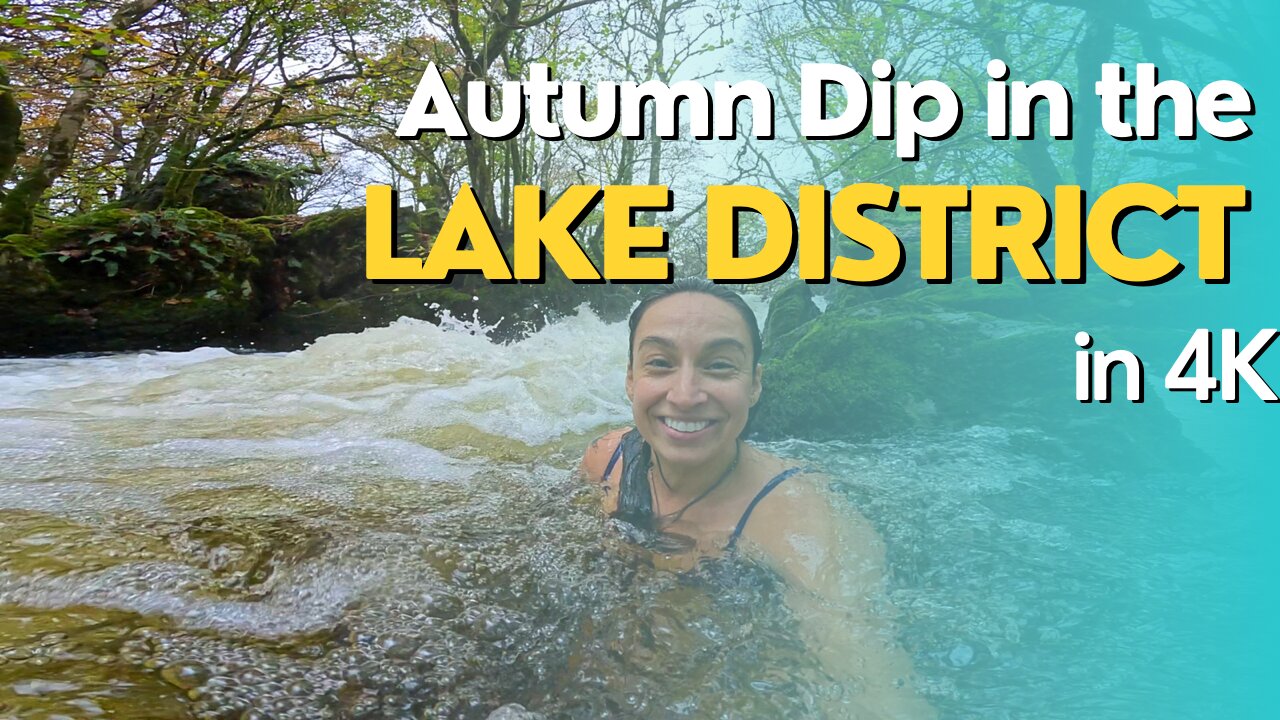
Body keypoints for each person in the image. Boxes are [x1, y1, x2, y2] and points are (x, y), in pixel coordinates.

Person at [579, 279, 935, 719]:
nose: (686, 394)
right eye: (659, 362)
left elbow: (871, 684)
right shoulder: (607, 460)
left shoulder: (803, 523)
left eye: (720, 365)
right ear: (632, 380)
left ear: (755, 385)